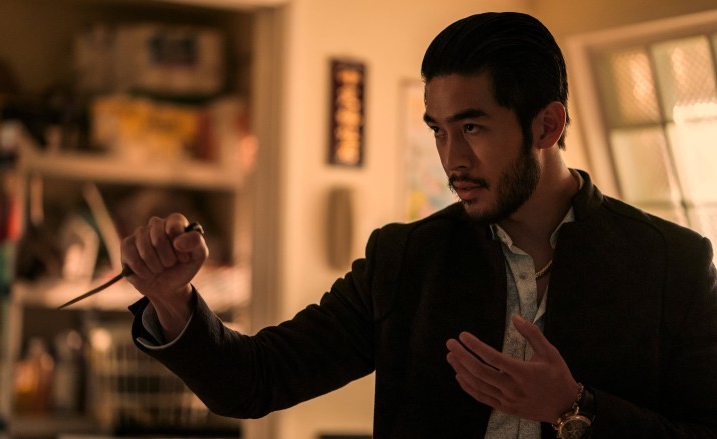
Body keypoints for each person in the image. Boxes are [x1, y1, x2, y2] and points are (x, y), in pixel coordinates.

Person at [121, 11, 717, 438]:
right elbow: (255, 382)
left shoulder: (672, 262)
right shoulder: (406, 257)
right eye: (438, 130)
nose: (452, 159)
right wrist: (172, 299)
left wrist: (575, 409)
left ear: (547, 125)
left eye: (472, 127)